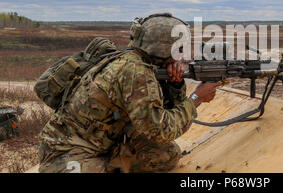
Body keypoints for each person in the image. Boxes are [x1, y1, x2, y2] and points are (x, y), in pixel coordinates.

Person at [38, 13, 219, 173]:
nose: (182, 53)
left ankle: (105, 164)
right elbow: (161, 130)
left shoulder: (137, 61)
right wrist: (196, 98)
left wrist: (175, 84)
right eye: (178, 48)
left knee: (166, 155)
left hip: (104, 144)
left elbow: (159, 113)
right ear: (163, 49)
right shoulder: (135, 71)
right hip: (65, 152)